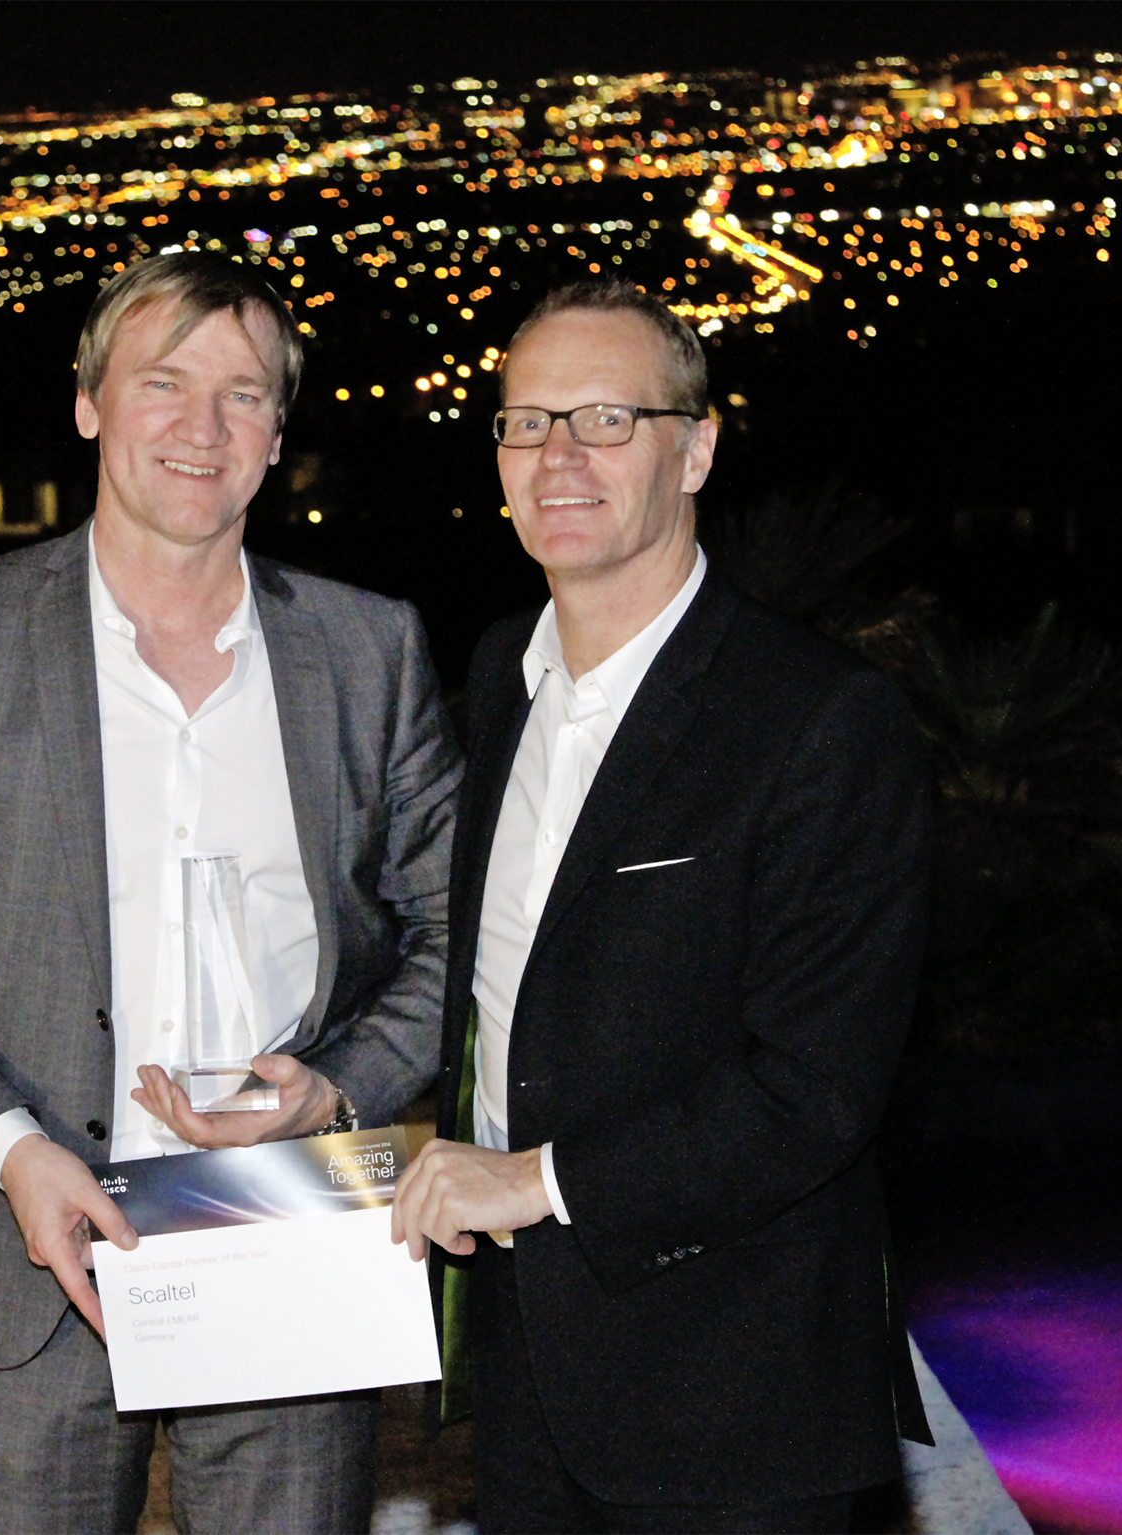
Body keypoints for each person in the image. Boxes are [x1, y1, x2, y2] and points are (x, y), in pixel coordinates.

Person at [0, 252, 462, 1534]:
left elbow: (453, 933)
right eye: (163, 382)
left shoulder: (369, 647)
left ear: (277, 432)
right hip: (33, 1236)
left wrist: (341, 1084)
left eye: (243, 393)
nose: (202, 425)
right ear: (89, 403)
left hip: (284, 1211)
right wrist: (9, 1148)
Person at [390, 280, 933, 1533]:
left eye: (606, 419)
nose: (558, 457)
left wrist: (534, 1179)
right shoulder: (504, 669)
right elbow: (504, 985)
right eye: (527, 422)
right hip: (529, 1374)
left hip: (732, 1390)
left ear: (695, 448)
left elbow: (813, 1089)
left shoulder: (817, 718)